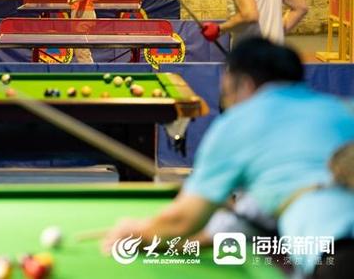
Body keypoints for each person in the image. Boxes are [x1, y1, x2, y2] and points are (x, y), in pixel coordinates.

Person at [101, 37, 354, 278]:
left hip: (340, 255)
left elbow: (184, 220)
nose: (227, 100)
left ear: (244, 85)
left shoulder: (240, 121)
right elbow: (248, 217)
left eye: (227, 91)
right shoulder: (341, 109)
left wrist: (141, 234)